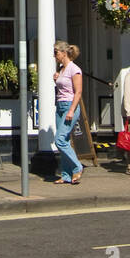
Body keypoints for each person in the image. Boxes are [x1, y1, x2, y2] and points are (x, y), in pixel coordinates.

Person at [52, 41, 84, 184]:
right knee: (63, 140)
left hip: (70, 107)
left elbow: (78, 92)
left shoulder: (74, 69)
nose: (55, 56)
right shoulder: (62, 69)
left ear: (64, 53)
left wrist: (71, 110)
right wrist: (56, 80)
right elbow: (62, 88)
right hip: (59, 106)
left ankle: (77, 167)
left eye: (56, 53)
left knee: (59, 139)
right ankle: (66, 175)